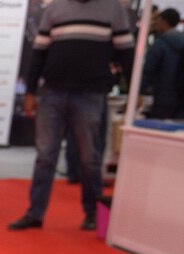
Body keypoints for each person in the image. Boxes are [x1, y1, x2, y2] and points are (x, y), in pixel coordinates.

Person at [9, 0, 134, 233]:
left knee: (89, 158)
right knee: (45, 156)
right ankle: (35, 213)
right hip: (53, 92)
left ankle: (93, 213)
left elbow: (126, 53)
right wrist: (30, 91)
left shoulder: (113, 9)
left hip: (91, 93)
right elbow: (39, 52)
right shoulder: (55, 8)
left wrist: (135, 92)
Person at [142, 8, 184, 119]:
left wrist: (139, 92)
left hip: (162, 98)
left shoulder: (160, 44)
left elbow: (148, 71)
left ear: (164, 21)